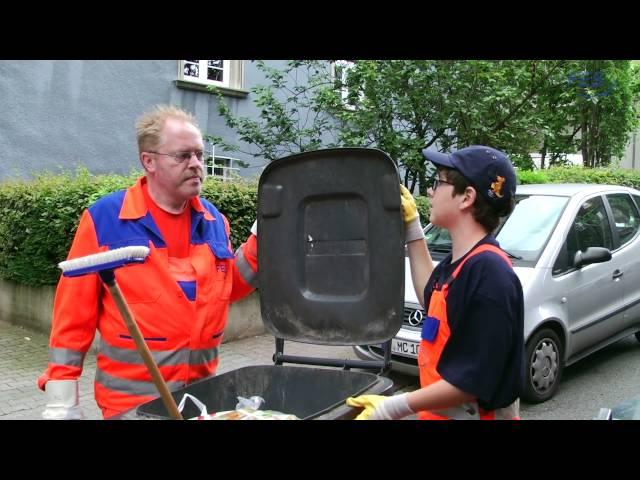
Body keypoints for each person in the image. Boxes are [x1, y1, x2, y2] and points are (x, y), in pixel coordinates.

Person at [38, 105, 258, 419]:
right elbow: (73, 315)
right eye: (183, 156)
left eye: (199, 154)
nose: (196, 164)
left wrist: (260, 241)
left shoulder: (213, 220)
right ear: (149, 161)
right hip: (131, 407)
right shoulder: (106, 220)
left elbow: (228, 287)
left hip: (201, 400)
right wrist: (61, 400)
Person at [348, 145, 524, 420]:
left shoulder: (491, 274)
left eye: (439, 182)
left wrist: (391, 407)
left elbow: (472, 381)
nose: (430, 191)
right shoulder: (460, 263)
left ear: (466, 197)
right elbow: (430, 299)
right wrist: (412, 226)